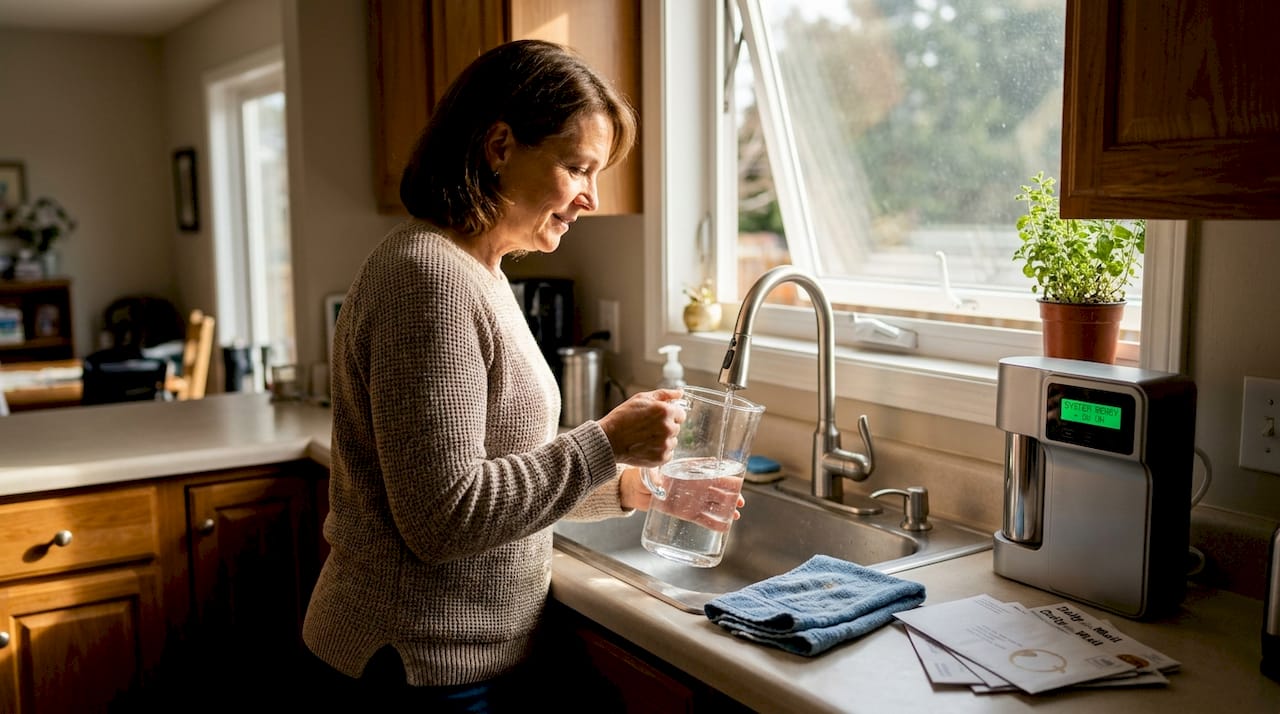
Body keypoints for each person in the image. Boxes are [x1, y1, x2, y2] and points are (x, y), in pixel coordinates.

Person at [301, 40, 738, 712]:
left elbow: (509, 472)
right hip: (412, 666)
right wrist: (606, 441)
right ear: (500, 146)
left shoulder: (479, 272)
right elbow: (445, 518)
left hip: (454, 661)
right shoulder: (429, 279)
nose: (590, 197)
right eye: (577, 167)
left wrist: (637, 488)